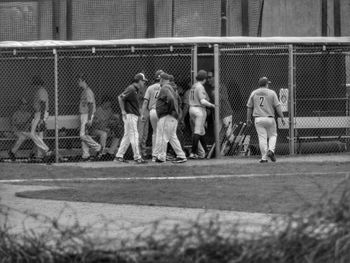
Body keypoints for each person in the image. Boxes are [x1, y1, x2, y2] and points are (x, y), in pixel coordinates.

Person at [246, 77, 286, 163]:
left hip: (258, 119)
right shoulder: (272, 93)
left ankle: (264, 158)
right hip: (269, 118)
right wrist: (282, 117)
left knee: (262, 138)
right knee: (273, 135)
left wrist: (248, 119)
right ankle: (271, 151)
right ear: (266, 84)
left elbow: (249, 107)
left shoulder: (254, 93)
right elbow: (277, 106)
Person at [153, 72, 187, 163]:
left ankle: (161, 157)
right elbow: (178, 101)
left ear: (163, 79)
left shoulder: (165, 87)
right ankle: (181, 156)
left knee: (164, 136)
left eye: (160, 79)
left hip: (167, 115)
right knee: (172, 137)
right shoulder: (172, 88)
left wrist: (170, 110)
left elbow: (171, 99)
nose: (159, 80)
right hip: (171, 116)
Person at [115, 73, 148, 164]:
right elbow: (120, 97)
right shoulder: (132, 88)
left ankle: (119, 156)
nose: (144, 83)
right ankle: (137, 157)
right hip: (129, 115)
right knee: (134, 135)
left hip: (132, 115)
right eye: (143, 81)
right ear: (139, 81)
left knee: (127, 137)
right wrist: (123, 111)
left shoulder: (135, 89)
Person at [188, 70, 215, 159]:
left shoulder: (194, 86)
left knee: (201, 131)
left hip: (191, 108)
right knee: (197, 131)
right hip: (198, 109)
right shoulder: (200, 87)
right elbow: (202, 101)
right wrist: (212, 105)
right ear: (204, 79)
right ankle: (192, 152)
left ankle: (206, 151)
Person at [78, 74, 102, 161]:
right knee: (85, 135)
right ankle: (86, 155)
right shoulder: (84, 91)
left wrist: (89, 119)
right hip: (84, 114)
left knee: (82, 135)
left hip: (87, 114)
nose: (78, 83)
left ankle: (98, 147)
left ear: (84, 81)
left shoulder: (88, 91)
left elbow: (91, 105)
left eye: (79, 81)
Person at [141, 70, 163, 160]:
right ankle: (160, 154)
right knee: (162, 133)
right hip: (162, 111)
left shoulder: (150, 87)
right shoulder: (165, 87)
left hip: (152, 111)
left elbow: (145, 102)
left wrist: (143, 113)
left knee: (155, 133)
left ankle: (154, 154)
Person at [205, 70, 234, 138]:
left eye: (210, 77)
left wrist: (217, 94)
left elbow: (224, 98)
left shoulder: (221, 86)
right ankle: (221, 148)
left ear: (215, 77)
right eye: (207, 78)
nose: (208, 79)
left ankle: (235, 147)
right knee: (218, 134)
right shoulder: (211, 89)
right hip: (217, 114)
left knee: (228, 133)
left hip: (225, 113)